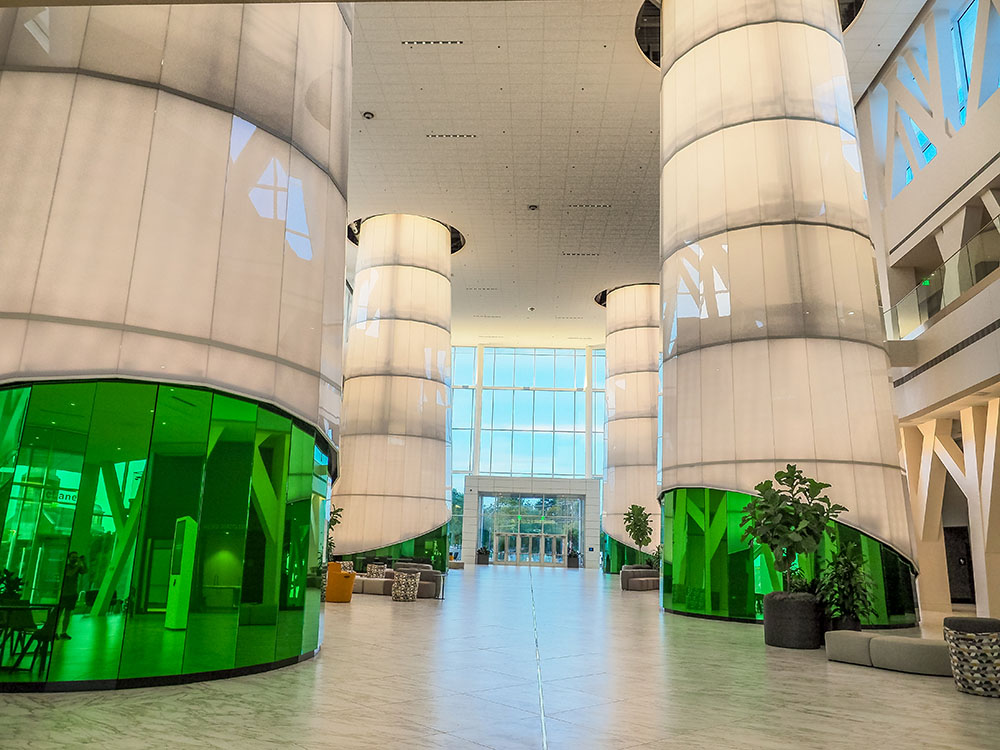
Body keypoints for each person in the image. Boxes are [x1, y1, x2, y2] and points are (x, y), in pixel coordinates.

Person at [58, 552, 87, 640]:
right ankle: (54, 631)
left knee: (67, 614)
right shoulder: (65, 566)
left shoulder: (77, 567)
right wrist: (78, 565)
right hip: (64, 594)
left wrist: (83, 562)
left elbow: (85, 571)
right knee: (58, 614)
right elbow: (70, 574)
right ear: (69, 558)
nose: (74, 559)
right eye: (73, 557)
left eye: (76, 557)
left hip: (72, 594)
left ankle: (63, 632)